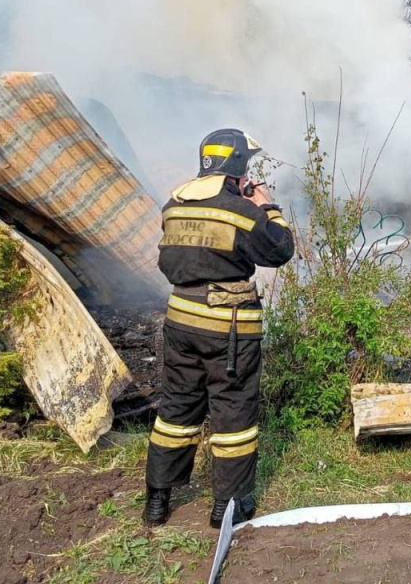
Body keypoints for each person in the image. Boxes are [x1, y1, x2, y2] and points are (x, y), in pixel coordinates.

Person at [143, 128, 294, 529]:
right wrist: (268, 207)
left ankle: (157, 501)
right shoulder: (242, 212)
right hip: (228, 329)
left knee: (176, 408)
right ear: (240, 167)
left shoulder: (173, 204)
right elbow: (280, 250)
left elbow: (169, 259)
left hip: (180, 320)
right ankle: (229, 506)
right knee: (232, 413)